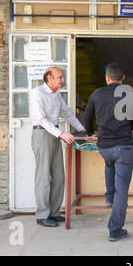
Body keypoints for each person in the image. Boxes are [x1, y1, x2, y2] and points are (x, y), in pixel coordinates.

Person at [84, 62, 133, 242]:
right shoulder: (129, 94)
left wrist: (89, 133)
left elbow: (87, 119)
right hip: (123, 147)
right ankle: (115, 229)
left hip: (104, 147)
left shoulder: (96, 94)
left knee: (109, 163)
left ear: (107, 78)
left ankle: (109, 196)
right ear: (123, 78)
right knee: (122, 190)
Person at [30, 67, 86, 227]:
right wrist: (61, 134)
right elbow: (41, 119)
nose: (62, 80)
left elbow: (67, 112)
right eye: (59, 77)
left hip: (55, 134)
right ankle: (42, 215)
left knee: (59, 175)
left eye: (62, 77)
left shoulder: (57, 94)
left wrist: (82, 128)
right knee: (43, 177)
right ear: (49, 78)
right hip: (42, 134)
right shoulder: (37, 93)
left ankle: (54, 213)